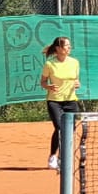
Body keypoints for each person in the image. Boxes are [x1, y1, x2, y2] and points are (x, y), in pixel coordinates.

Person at [40, 36, 81, 171]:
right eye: (66, 46)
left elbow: (76, 80)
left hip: (71, 101)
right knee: (59, 128)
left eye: (70, 45)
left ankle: (61, 159)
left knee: (70, 131)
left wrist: (77, 84)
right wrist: (49, 86)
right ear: (58, 48)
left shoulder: (74, 62)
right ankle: (53, 156)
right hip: (54, 101)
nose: (69, 48)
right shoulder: (49, 64)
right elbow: (43, 82)